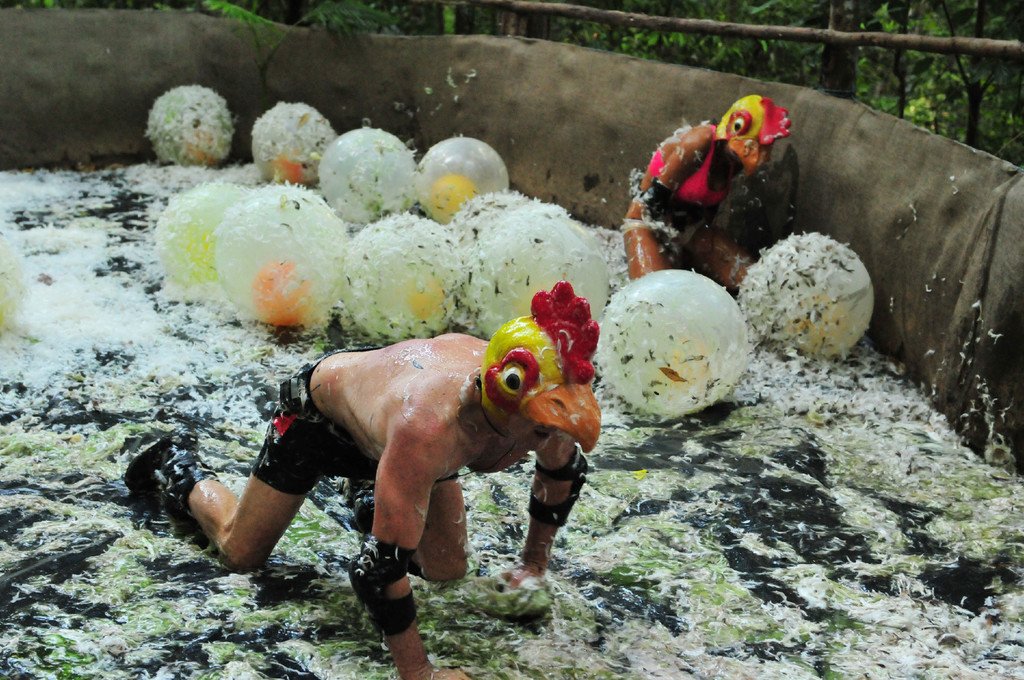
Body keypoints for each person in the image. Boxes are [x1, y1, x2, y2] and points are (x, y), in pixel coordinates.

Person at [124, 280, 601, 680]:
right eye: (541, 428)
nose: (550, 437)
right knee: (239, 553)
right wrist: (421, 674)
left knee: (447, 569)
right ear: (500, 392)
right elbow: (377, 570)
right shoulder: (430, 431)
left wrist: (532, 564)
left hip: (393, 426)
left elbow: (561, 471)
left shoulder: (542, 413)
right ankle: (176, 463)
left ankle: (372, 493)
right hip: (319, 422)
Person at [622, 94, 792, 291]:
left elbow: (708, 208)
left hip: (688, 229)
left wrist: (702, 240)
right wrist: (674, 250)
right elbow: (654, 200)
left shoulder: (733, 161)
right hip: (648, 222)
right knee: (658, 293)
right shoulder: (700, 141)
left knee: (755, 282)